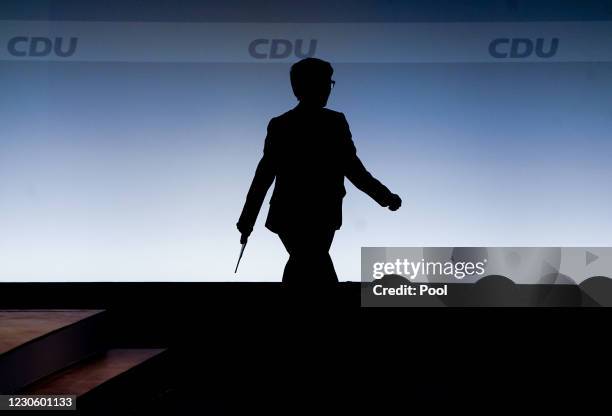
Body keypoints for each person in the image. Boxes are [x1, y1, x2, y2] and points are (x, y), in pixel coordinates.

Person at [237, 57, 401, 286]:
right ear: (309, 85)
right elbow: (353, 169)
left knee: (305, 263)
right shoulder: (333, 123)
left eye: (329, 83)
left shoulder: (282, 124)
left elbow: (264, 175)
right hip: (317, 211)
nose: (328, 89)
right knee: (313, 263)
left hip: (294, 213)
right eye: (326, 82)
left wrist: (247, 219)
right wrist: (385, 197)